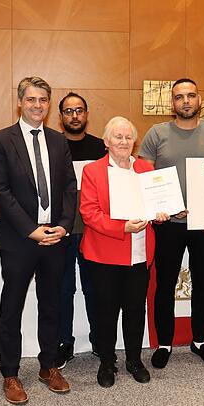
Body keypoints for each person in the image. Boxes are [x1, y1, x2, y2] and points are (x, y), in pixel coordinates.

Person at [0, 77, 77, 404]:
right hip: (20, 239)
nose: (37, 105)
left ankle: (48, 365)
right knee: (12, 306)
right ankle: (10, 373)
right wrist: (31, 229)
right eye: (31, 100)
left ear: (48, 104)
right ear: (20, 102)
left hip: (55, 237)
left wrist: (64, 226)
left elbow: (69, 187)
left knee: (51, 303)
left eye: (43, 100)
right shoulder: (0, 140)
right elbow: (1, 191)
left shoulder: (58, 140)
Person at [139, 78, 204, 368]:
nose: (186, 101)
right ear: (172, 103)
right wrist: (160, 208)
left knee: (203, 283)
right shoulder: (156, 133)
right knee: (164, 285)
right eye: (180, 97)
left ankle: (199, 340)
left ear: (199, 99)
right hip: (168, 225)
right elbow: (143, 177)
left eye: (191, 95)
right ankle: (164, 343)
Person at [80, 116, 169, 387]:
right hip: (104, 254)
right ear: (106, 142)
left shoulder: (146, 169)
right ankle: (107, 362)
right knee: (105, 311)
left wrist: (161, 212)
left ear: (135, 141)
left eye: (128, 137)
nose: (123, 141)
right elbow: (89, 213)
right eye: (117, 137)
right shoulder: (93, 171)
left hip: (139, 253)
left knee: (134, 310)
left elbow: (157, 204)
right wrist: (123, 228)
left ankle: (134, 359)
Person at [55, 92, 107, 367]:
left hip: (93, 233)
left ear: (87, 114)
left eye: (79, 110)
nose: (74, 116)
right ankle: (64, 342)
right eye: (68, 111)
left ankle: (99, 339)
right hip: (61, 232)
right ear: (61, 116)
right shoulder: (53, 146)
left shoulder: (101, 148)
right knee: (63, 290)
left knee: (94, 288)